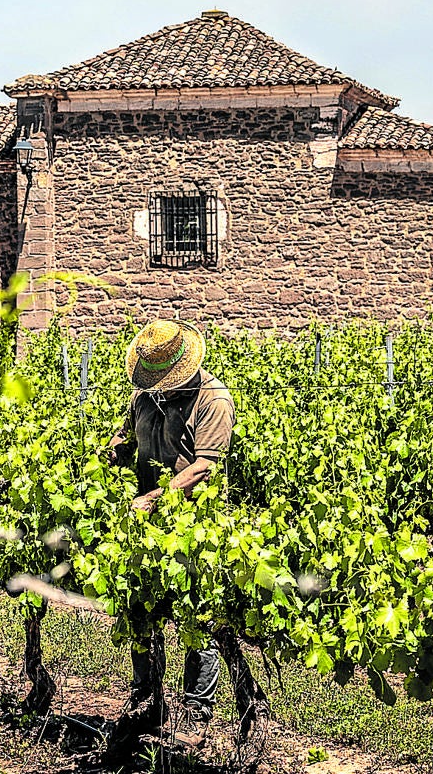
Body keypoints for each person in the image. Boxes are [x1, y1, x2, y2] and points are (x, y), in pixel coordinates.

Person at [105, 319, 270, 753]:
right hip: (145, 522)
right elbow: (129, 437)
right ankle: (148, 698)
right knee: (139, 610)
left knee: (198, 619)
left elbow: (204, 467)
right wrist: (116, 448)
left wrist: (156, 499)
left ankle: (197, 712)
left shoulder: (213, 399)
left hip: (195, 524)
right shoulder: (145, 396)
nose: (159, 387)